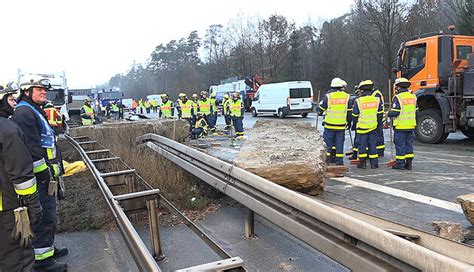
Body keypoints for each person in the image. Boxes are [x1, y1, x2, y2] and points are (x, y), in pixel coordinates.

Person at [11, 75, 68, 271]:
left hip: (47, 174)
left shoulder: (33, 109)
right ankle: (42, 261)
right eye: (39, 89)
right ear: (27, 91)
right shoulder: (24, 113)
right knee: (44, 216)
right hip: (40, 177)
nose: (44, 92)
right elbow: (32, 149)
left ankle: (48, 249)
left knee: (50, 214)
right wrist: (44, 173)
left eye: (45, 89)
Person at [0, 83, 43, 272]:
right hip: (8, 209)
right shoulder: (8, 130)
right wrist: (33, 204)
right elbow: (21, 174)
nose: (14, 103)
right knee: (18, 257)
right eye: (10, 99)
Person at [352, 80, 384, 169]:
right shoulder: (376, 100)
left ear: (361, 90)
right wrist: (378, 124)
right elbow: (380, 113)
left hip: (362, 128)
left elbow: (355, 115)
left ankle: (362, 163)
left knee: (362, 146)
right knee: (372, 146)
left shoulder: (358, 101)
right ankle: (374, 164)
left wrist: (354, 125)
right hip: (373, 127)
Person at [319, 77, 350, 165]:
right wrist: (349, 122)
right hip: (341, 125)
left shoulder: (328, 96)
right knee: (339, 144)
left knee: (328, 145)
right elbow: (349, 111)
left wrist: (319, 110)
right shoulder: (347, 96)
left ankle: (327, 161)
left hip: (329, 125)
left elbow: (321, 109)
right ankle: (339, 162)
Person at [388, 78, 417, 170]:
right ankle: (409, 164)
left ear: (398, 87)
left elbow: (395, 112)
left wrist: (388, 113)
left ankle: (400, 164)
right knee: (409, 144)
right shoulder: (413, 97)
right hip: (411, 125)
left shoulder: (398, 97)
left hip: (400, 126)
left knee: (400, 145)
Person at [370, 83, 386, 157]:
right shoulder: (375, 93)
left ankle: (379, 151)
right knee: (378, 134)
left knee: (378, 135)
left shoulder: (376, 94)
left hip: (378, 117)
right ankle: (379, 150)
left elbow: (377, 106)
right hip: (377, 116)